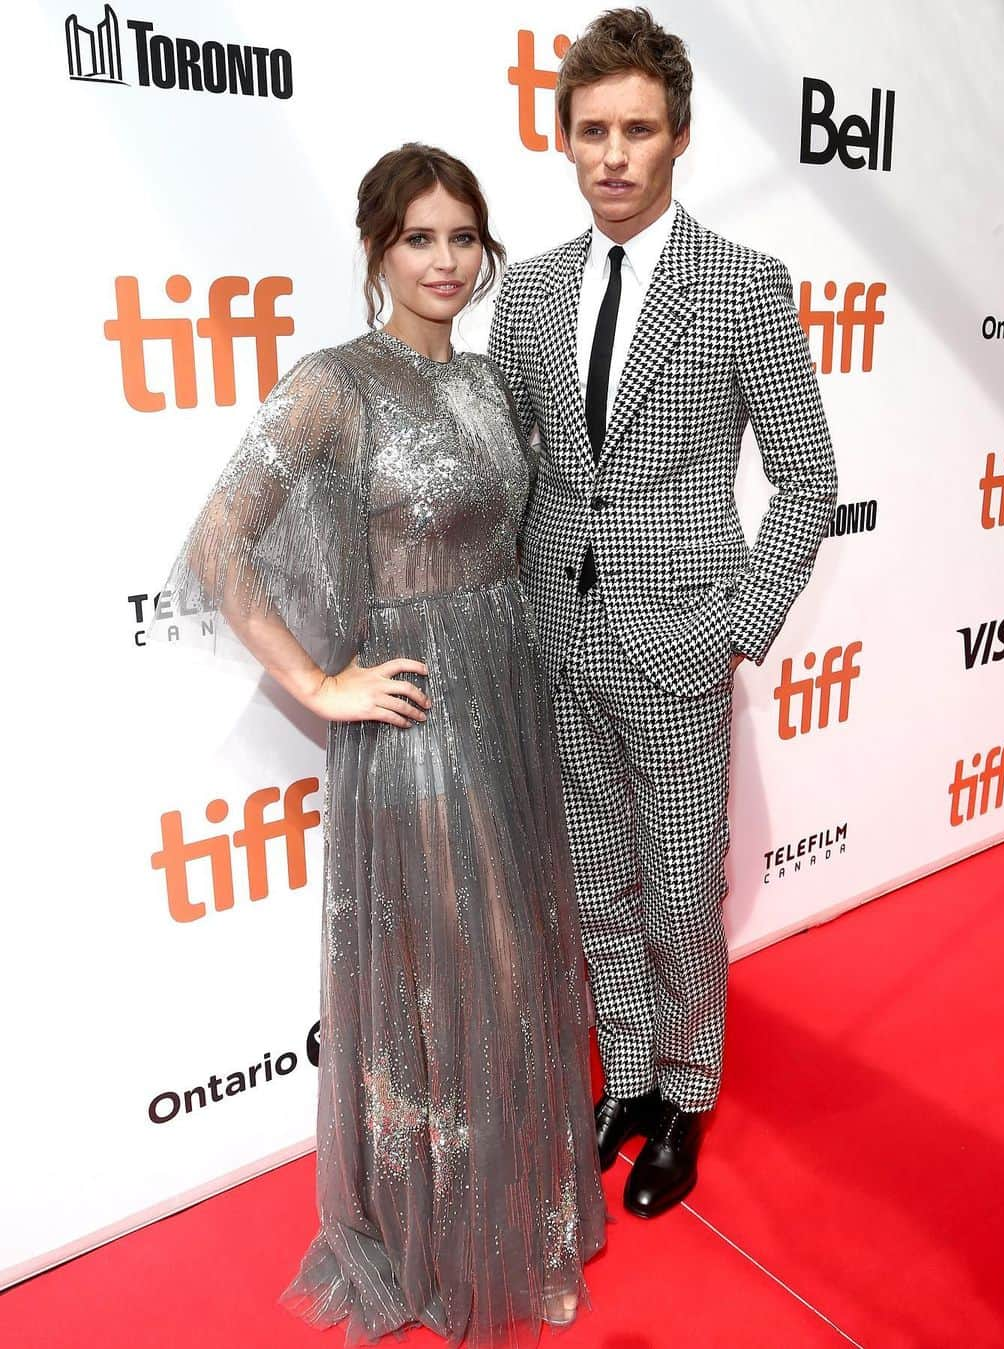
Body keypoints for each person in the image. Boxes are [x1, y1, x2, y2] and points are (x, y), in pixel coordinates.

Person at [152, 143, 606, 1344]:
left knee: (519, 971)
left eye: (464, 237)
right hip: (416, 713)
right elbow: (219, 546)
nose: (445, 260)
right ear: (375, 249)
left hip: (511, 692)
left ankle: (529, 1220)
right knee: (466, 971)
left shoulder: (496, 385)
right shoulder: (331, 385)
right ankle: (449, 1240)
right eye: (420, 237)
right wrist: (318, 680)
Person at [489, 8, 838, 1219]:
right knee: (595, 880)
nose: (615, 154)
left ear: (679, 137)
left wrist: (739, 621)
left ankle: (688, 1089)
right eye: (593, 130)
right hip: (559, 639)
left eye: (639, 129)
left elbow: (807, 472)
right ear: (565, 140)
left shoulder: (743, 284)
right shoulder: (527, 295)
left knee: (684, 885)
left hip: (681, 637)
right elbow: (514, 470)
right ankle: (627, 1076)